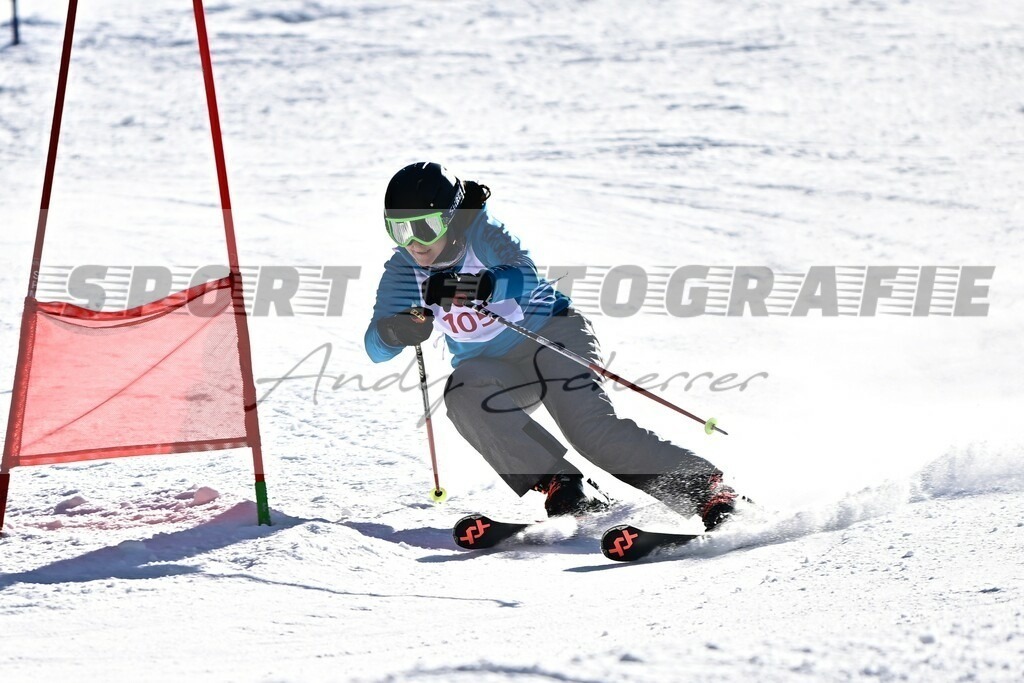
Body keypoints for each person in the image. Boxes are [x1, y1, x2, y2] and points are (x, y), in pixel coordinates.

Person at [364, 162, 739, 530]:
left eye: (425, 229)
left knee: (589, 433)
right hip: (497, 371)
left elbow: (524, 272)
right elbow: (375, 347)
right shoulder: (403, 271)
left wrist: (480, 285)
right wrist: (397, 332)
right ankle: (564, 484)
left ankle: (706, 491)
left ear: (450, 218)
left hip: (552, 338)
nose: (413, 244)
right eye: (398, 231)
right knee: (462, 391)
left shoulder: (481, 232)